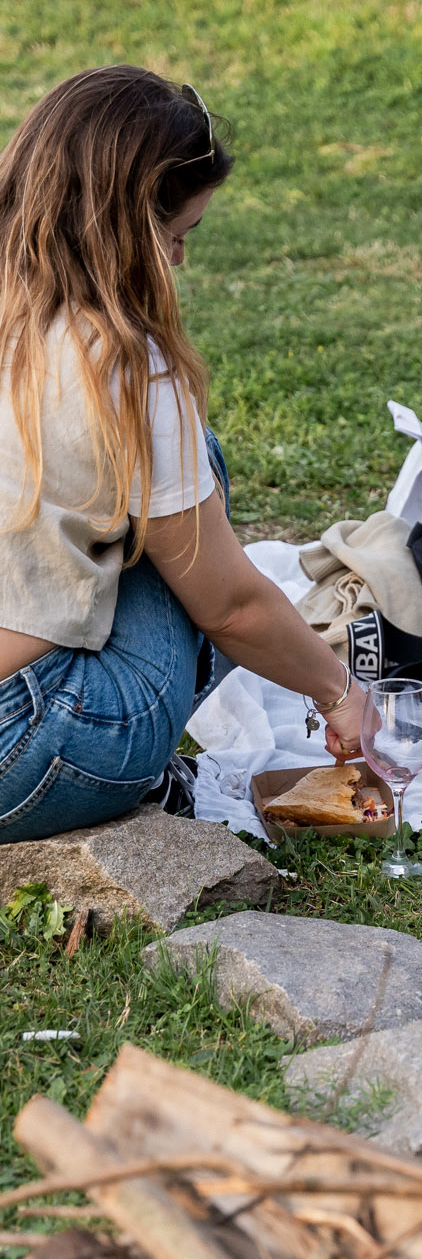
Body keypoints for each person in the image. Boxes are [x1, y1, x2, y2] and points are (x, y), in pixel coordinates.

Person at [0, 66, 365, 843]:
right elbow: (227, 606)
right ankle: (138, 778)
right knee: (194, 482)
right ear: (128, 226)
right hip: (33, 748)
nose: (179, 262)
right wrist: (338, 693)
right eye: (175, 237)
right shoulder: (122, 362)